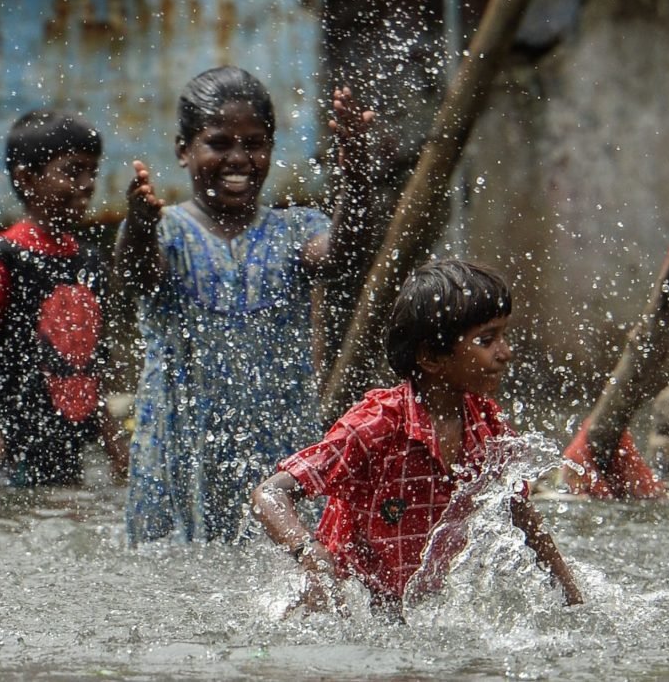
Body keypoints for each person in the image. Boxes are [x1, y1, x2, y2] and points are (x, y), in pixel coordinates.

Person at [117, 66, 375, 544]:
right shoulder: (166, 231)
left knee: (287, 571)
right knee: (173, 572)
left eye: (255, 143)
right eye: (218, 143)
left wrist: (356, 178)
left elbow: (342, 254)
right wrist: (137, 226)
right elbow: (135, 276)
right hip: (180, 452)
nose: (239, 158)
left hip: (278, 444)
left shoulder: (296, 230)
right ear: (183, 150)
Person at [252, 260, 583, 616]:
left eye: (503, 336)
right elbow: (269, 492)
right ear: (430, 357)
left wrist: (572, 600)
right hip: (346, 611)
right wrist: (308, 551)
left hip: (420, 611)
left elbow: (519, 511)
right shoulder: (375, 426)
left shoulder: (488, 426)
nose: (506, 353)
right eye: (487, 340)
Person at [0, 108, 128, 487]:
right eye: (72, 171)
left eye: (92, 172)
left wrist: (115, 445)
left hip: (70, 445)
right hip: (11, 452)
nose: (87, 184)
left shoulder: (88, 261)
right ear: (27, 179)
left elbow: (86, 363)